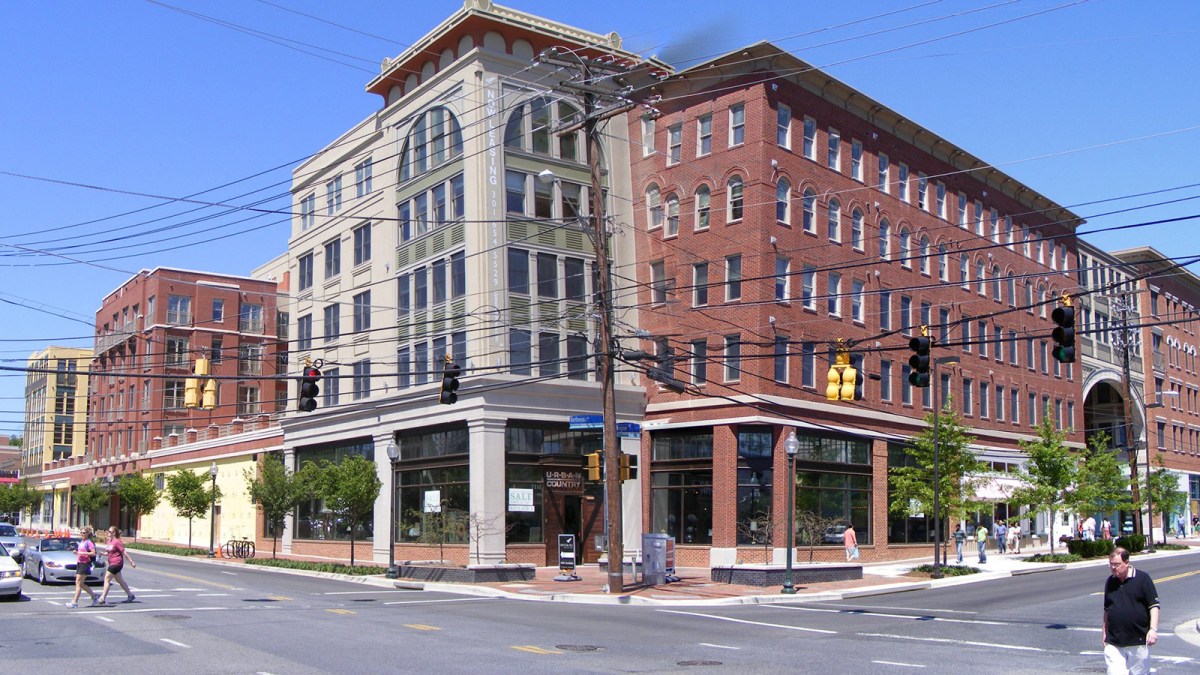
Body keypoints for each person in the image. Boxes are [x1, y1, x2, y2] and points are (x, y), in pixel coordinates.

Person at [1102, 547, 1160, 675]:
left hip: (1137, 640)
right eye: (1111, 565)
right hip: (1114, 641)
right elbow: (1107, 609)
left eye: (1116, 565)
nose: (1113, 568)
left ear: (1127, 562)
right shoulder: (1110, 582)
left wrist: (1153, 629)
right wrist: (1104, 632)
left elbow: (1154, 606)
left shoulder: (1143, 579)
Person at [98, 526, 136, 604]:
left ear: (114, 533)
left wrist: (131, 561)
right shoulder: (109, 541)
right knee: (120, 580)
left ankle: (102, 598)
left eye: (109, 531)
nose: (108, 533)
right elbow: (110, 552)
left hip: (117, 563)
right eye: (107, 531)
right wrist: (103, 553)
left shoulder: (117, 542)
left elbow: (124, 552)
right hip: (111, 563)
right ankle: (130, 595)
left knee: (107, 579)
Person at [66, 526, 99, 608]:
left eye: (84, 533)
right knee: (80, 583)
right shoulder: (82, 542)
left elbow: (93, 553)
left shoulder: (89, 542)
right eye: (81, 533)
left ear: (88, 534)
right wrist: (77, 552)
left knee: (79, 583)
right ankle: (94, 596)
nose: (82, 534)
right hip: (80, 563)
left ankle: (75, 602)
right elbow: (80, 551)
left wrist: (83, 553)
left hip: (85, 564)